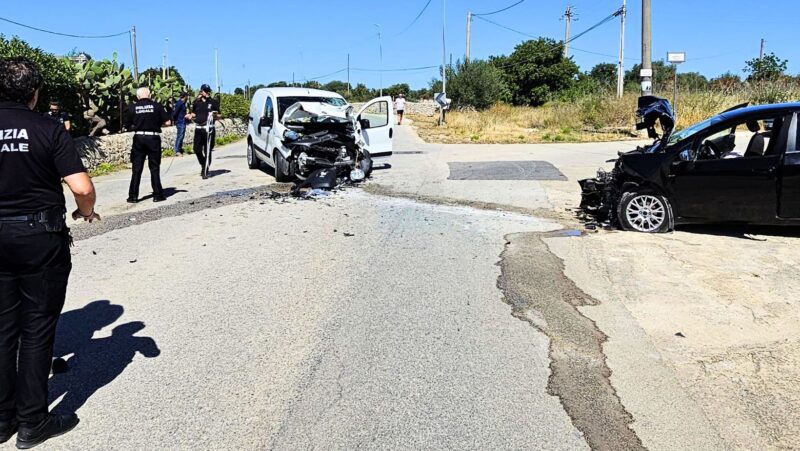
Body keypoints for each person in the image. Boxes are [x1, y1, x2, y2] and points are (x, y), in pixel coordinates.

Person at [0, 57, 100, 449]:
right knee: (37, 329)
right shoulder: (48, 128)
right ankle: (33, 422)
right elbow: (82, 187)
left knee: (3, 330)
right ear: (35, 93)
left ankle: (2, 419)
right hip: (40, 237)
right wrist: (86, 212)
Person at [124, 87, 171, 203]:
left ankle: (133, 196)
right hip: (153, 137)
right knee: (154, 167)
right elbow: (168, 122)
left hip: (139, 138)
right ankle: (157, 194)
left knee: (137, 168)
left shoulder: (132, 108)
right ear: (150, 95)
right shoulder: (157, 106)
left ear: (138, 97)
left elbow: (127, 125)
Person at [186, 84, 220, 179]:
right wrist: (190, 116)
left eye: (208, 91)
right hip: (199, 128)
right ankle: (203, 163)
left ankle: (205, 170)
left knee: (208, 150)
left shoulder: (214, 102)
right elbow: (194, 113)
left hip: (209, 129)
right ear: (201, 92)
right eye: (205, 91)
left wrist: (215, 116)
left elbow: (219, 115)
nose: (208, 92)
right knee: (196, 149)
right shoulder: (196, 102)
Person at [172, 92, 188, 156]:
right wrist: (175, 120)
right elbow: (175, 113)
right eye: (187, 96)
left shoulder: (183, 103)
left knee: (181, 136)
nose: (188, 98)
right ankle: (177, 150)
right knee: (180, 136)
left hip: (183, 121)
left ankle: (179, 149)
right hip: (180, 122)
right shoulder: (180, 103)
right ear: (185, 96)